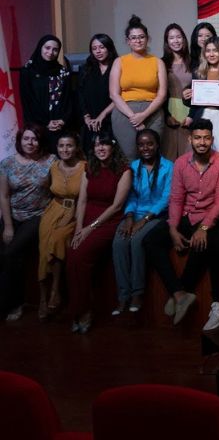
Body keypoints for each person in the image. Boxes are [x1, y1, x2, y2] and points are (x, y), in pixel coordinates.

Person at [144, 119, 219, 329]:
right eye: (197, 138)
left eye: (206, 138)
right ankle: (178, 293)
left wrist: (203, 228)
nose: (202, 142)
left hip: (210, 216)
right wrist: (173, 228)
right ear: (190, 139)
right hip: (186, 215)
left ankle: (187, 290)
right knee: (150, 241)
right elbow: (176, 198)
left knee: (204, 243)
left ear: (212, 139)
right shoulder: (181, 163)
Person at [67, 133, 132, 333]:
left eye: (104, 144)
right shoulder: (89, 167)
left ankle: (84, 311)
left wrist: (90, 228)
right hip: (86, 218)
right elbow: (82, 200)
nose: (100, 149)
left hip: (108, 220)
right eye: (96, 145)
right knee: (72, 255)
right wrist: (79, 228)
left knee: (79, 256)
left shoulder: (124, 170)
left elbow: (116, 206)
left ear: (113, 147)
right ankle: (79, 308)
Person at [111, 129, 173, 315]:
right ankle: (123, 295)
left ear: (157, 145)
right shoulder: (133, 166)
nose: (146, 148)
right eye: (141, 145)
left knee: (137, 240)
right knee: (119, 242)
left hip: (157, 215)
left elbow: (166, 198)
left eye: (150, 144)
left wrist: (145, 220)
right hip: (134, 214)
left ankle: (137, 293)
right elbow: (130, 195)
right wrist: (130, 217)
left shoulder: (169, 166)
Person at [0, 124, 56, 320]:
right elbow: (4, 196)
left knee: (10, 253)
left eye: (34, 139)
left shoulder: (51, 161)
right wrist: (8, 226)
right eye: (26, 139)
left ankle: (13, 304)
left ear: (40, 142)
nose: (30, 143)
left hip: (38, 216)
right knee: (5, 255)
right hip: (12, 215)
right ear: (19, 141)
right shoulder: (7, 163)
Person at [37, 131, 85, 321]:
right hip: (53, 209)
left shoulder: (85, 167)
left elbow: (84, 198)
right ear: (57, 148)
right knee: (43, 250)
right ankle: (43, 299)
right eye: (61, 146)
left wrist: (75, 218)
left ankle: (55, 290)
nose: (65, 149)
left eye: (69, 145)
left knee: (57, 240)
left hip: (75, 210)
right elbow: (49, 189)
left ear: (76, 148)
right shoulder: (54, 166)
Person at [109, 14, 167, 160]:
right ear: (128, 41)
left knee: (152, 156)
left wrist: (143, 115)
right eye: (134, 38)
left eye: (141, 37)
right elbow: (114, 94)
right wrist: (133, 116)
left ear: (147, 39)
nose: (138, 40)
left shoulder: (157, 62)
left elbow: (162, 94)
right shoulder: (119, 61)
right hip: (125, 112)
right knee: (129, 157)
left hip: (152, 112)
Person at [184, 37, 219, 162]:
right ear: (204, 53)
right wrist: (186, 96)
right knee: (201, 157)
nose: (211, 54)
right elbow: (192, 102)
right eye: (208, 51)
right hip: (202, 116)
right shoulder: (198, 73)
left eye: (215, 50)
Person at [20, 34, 73, 152]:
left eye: (55, 49)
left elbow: (68, 99)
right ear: (40, 48)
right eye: (47, 48)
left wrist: (63, 120)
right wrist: (46, 122)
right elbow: (28, 101)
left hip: (59, 126)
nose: (50, 52)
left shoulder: (63, 72)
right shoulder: (27, 72)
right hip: (37, 126)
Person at [78, 33, 118, 154]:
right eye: (94, 48)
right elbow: (80, 95)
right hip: (90, 121)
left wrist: (103, 115)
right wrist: (86, 116)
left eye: (101, 47)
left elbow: (121, 96)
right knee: (90, 154)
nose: (98, 51)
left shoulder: (117, 67)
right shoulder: (86, 69)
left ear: (109, 48)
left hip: (111, 120)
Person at [161, 23, 192, 161]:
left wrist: (192, 115)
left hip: (189, 111)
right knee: (169, 152)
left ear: (184, 39)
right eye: (171, 38)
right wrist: (166, 115)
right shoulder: (161, 63)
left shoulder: (194, 62)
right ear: (167, 41)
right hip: (170, 111)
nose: (176, 41)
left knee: (189, 155)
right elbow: (159, 92)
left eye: (179, 37)